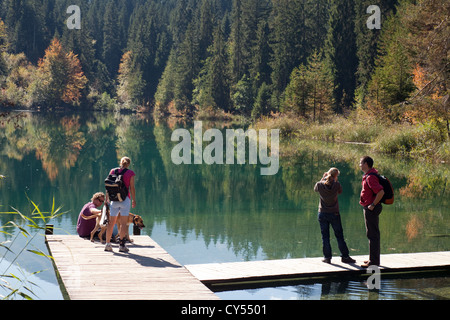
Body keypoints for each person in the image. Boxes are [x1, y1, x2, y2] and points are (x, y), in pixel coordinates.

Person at [314, 168, 355, 264]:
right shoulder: (337, 185)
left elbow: (315, 189)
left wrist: (322, 178)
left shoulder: (320, 185)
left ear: (327, 174)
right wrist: (335, 181)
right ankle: (345, 257)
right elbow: (340, 191)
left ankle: (327, 258)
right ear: (336, 176)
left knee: (325, 237)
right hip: (334, 213)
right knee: (339, 236)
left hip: (322, 213)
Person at [104, 156, 136, 253]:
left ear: (120, 162)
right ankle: (121, 246)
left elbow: (108, 186)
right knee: (123, 224)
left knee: (111, 223)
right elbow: (132, 188)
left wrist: (107, 198)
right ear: (128, 164)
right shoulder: (130, 173)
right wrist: (134, 199)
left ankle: (108, 244)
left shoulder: (113, 171)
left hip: (113, 199)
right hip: (125, 200)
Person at [359, 156, 384, 268]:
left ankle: (374, 262)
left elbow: (380, 192)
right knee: (372, 234)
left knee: (373, 234)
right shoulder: (369, 175)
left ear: (366, 164)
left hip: (371, 208)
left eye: (361, 163)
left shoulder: (370, 178)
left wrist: (373, 205)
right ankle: (373, 259)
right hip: (370, 207)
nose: (359, 165)